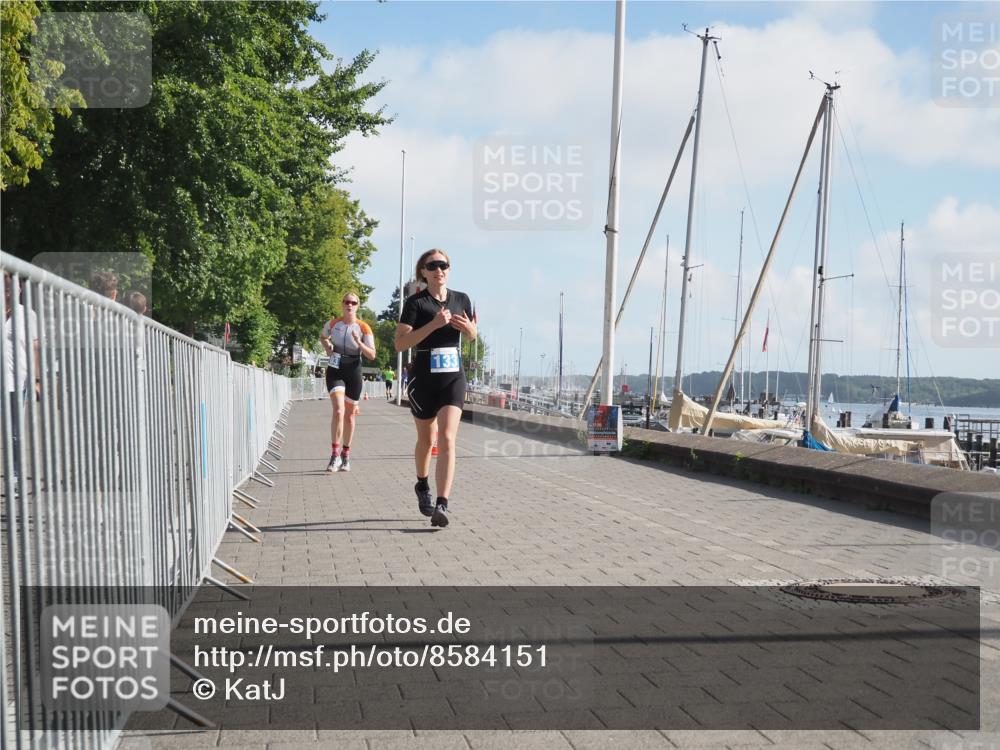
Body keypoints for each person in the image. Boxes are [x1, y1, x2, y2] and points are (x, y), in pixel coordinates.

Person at [395, 249, 476, 528]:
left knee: (448, 439)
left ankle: (442, 504)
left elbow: (473, 333)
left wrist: (468, 329)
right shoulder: (416, 303)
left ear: (449, 270)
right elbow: (401, 344)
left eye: (443, 265)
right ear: (424, 272)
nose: (439, 269)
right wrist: (433, 324)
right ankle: (421, 484)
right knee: (427, 440)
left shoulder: (462, 299)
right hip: (424, 379)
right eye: (433, 266)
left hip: (453, 376)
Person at [320, 293, 376, 473]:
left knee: (350, 416)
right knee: (338, 410)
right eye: (347, 302)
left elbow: (372, 355)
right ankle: (334, 454)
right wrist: (328, 347)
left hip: (353, 369)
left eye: (353, 302)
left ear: (358, 306)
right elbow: (323, 336)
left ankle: (346, 454)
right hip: (336, 368)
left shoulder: (364, 327)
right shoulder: (334, 323)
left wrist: (359, 342)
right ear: (342, 304)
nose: (349, 305)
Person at [4, 273, 40, 491]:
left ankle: (15, 475)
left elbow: (34, 349)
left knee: (15, 432)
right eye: (4, 288)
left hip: (19, 381)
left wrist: (36, 380)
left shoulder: (28, 315)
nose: (7, 292)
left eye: (11, 287)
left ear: (19, 290)